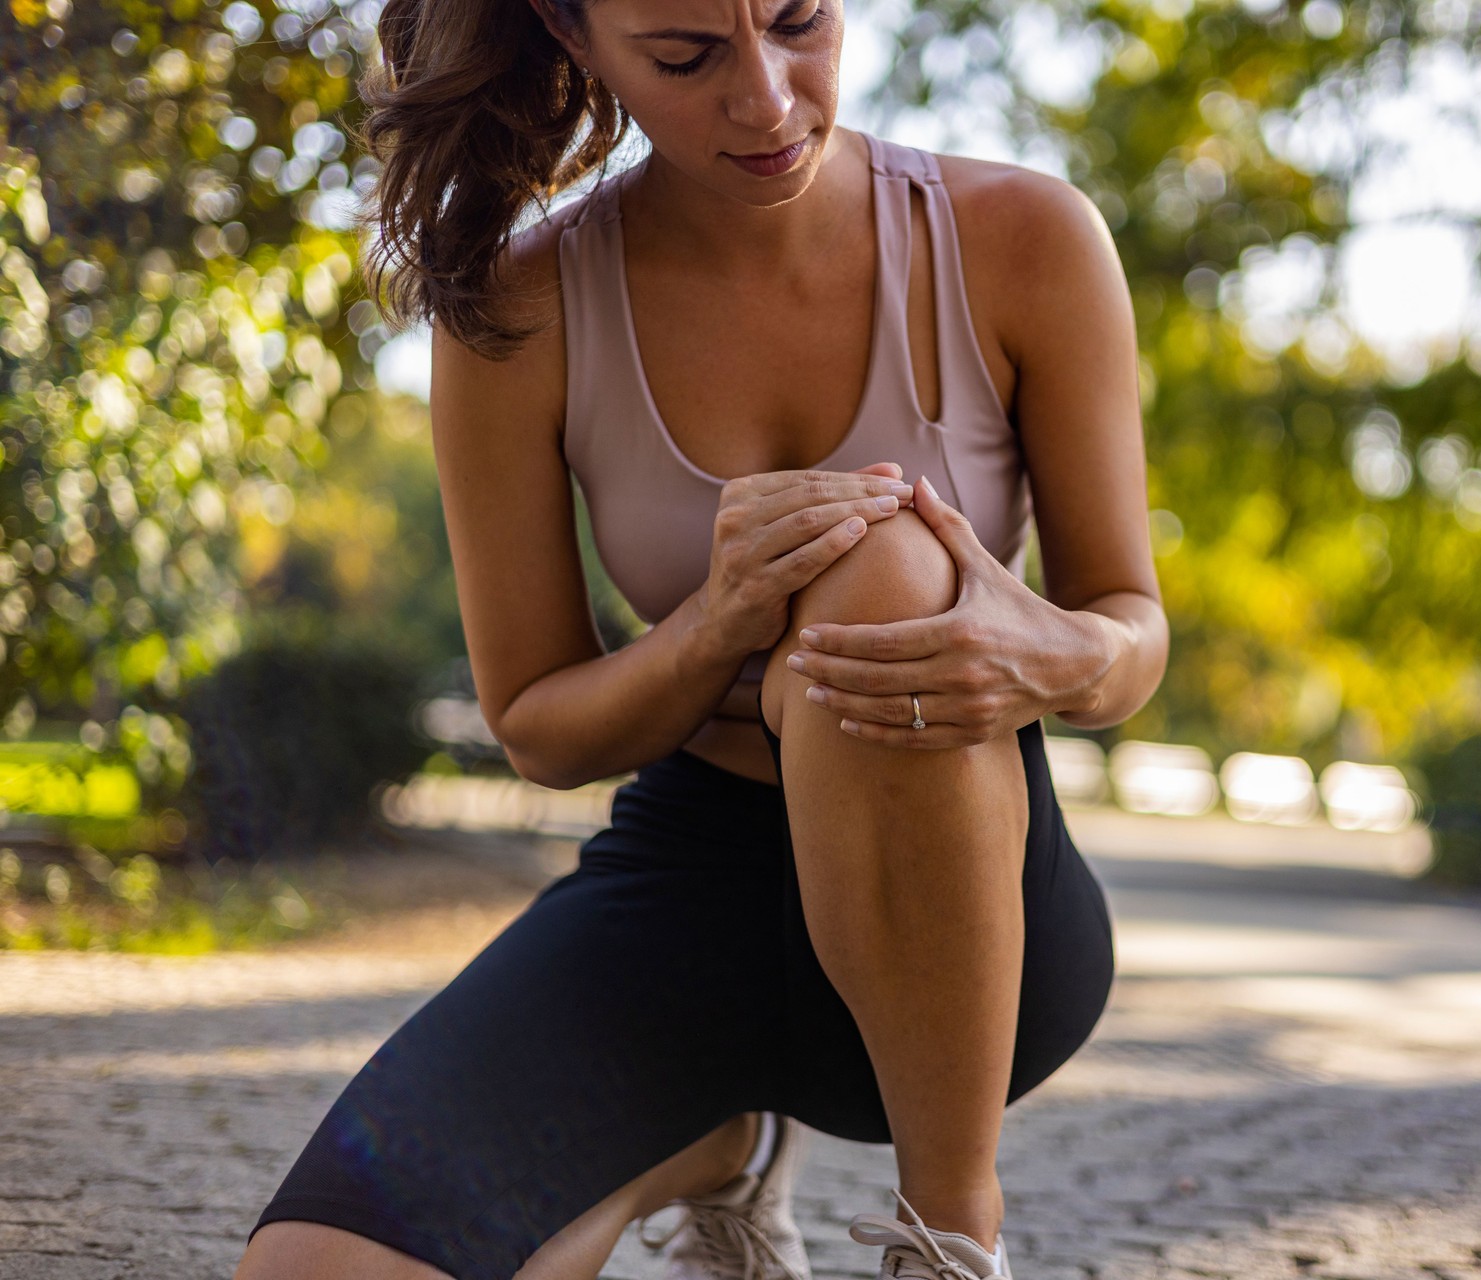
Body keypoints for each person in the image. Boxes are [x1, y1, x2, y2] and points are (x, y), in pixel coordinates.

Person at [231, 0, 1165, 1272]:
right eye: (686, 56)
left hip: (975, 910)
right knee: (316, 1269)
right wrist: (710, 630)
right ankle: (713, 1137)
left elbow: (1131, 621)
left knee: (888, 562)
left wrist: (1057, 654)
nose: (769, 99)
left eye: (798, 22)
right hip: (685, 894)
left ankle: (951, 1232)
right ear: (577, 37)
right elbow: (537, 724)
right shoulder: (521, 305)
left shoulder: (1024, 240)